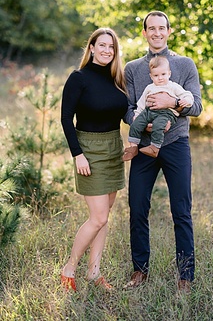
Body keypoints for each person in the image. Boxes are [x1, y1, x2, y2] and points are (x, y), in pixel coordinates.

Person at [122, 11, 202, 292]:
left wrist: (174, 103)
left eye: (161, 28)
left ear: (169, 31)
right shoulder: (132, 68)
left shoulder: (185, 64)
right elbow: (129, 109)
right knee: (138, 207)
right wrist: (143, 126)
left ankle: (185, 275)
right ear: (144, 33)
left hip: (177, 144)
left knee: (181, 209)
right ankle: (140, 270)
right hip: (145, 147)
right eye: (151, 29)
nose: (156, 33)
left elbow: (197, 106)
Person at [60, 28, 128, 291]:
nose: (107, 51)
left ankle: (94, 273)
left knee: (105, 215)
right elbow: (66, 118)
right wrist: (78, 154)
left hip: (113, 148)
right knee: (97, 217)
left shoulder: (116, 78)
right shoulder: (78, 78)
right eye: (102, 45)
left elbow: (124, 114)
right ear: (91, 48)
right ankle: (70, 268)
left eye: (111, 47)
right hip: (89, 149)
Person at [122, 55, 193, 160]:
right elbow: (141, 103)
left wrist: (186, 101)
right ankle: (133, 147)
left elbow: (187, 94)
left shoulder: (173, 86)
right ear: (151, 76)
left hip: (166, 113)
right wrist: (136, 115)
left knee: (158, 125)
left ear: (169, 74)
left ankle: (154, 148)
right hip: (148, 111)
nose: (160, 78)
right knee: (136, 124)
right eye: (156, 75)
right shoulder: (149, 88)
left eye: (163, 74)